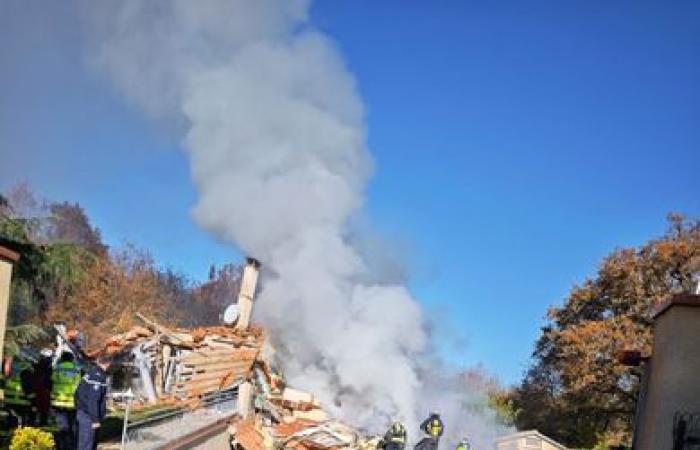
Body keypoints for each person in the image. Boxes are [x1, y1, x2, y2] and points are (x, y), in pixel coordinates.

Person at [75, 355, 110, 450]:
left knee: (88, 442)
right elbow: (93, 400)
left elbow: (77, 394)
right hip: (88, 415)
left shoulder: (91, 372)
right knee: (87, 444)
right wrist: (95, 419)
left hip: (84, 412)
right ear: (107, 364)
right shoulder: (97, 377)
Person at [52, 352, 81, 450]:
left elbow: (52, 380)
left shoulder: (57, 368)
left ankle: (62, 447)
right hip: (72, 403)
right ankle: (72, 446)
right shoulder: (77, 370)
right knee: (72, 427)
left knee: (62, 428)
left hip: (59, 402)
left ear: (62, 358)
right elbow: (79, 384)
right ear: (72, 359)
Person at [3, 355, 36, 426]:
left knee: (12, 418)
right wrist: (33, 401)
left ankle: (11, 428)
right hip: (21, 400)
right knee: (22, 418)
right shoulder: (26, 371)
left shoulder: (10, 368)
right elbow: (28, 388)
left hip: (9, 398)